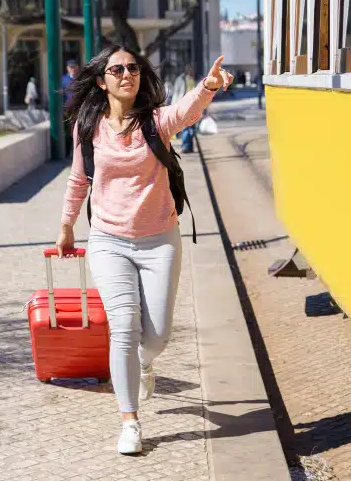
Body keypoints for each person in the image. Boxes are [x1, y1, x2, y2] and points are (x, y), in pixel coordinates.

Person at [57, 47, 233, 455]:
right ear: (102, 80)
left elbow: (186, 112)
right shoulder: (88, 127)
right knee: (123, 327)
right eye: (116, 69)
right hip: (108, 240)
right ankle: (130, 421)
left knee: (156, 336)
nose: (126, 75)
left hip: (159, 240)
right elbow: (78, 178)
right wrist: (67, 225)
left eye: (133, 68)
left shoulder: (155, 121)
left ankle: (145, 363)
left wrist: (207, 87)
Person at [171, 65, 198, 153]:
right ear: (186, 71)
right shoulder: (181, 80)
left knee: (192, 128)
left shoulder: (195, 80)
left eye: (192, 70)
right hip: (184, 107)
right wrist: (174, 106)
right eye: (190, 70)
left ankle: (189, 147)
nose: (191, 71)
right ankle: (186, 147)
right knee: (186, 127)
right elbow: (176, 93)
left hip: (193, 107)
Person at [61, 60, 81, 153]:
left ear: (77, 68)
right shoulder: (63, 80)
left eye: (74, 67)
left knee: (79, 131)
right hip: (67, 111)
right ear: (67, 68)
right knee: (68, 131)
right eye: (71, 67)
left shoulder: (81, 79)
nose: (72, 69)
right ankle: (68, 151)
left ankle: (78, 151)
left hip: (79, 110)